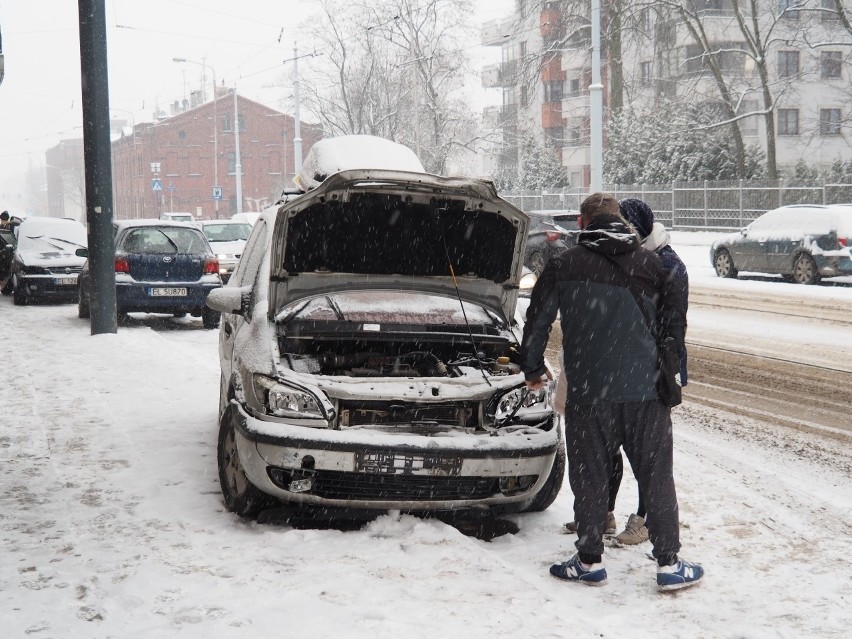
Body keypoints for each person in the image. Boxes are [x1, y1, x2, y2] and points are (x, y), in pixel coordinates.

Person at [521, 192, 703, 591]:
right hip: (647, 392)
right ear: (622, 222)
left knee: (590, 474)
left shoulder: (563, 264)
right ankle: (669, 563)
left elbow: (537, 321)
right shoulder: (655, 265)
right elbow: (674, 329)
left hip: (589, 392)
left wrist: (532, 368)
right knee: (656, 474)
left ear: (583, 224)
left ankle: (589, 561)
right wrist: (667, 376)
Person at [608, 198, 690, 545]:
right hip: (627, 369)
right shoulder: (634, 258)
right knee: (620, 446)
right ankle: (606, 512)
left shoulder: (668, 265)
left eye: (624, 226)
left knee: (648, 454)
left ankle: (644, 519)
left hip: (655, 371)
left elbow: (672, 326)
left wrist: (662, 370)